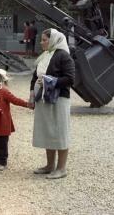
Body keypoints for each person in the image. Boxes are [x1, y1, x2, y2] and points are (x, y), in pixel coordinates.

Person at [29, 28, 75, 179]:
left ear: (54, 40)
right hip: (43, 98)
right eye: (41, 39)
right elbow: (35, 76)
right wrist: (31, 93)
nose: (41, 42)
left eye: (44, 40)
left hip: (59, 99)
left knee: (60, 132)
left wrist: (50, 81)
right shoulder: (45, 55)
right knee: (49, 131)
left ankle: (61, 168)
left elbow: (70, 78)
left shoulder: (64, 56)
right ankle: (50, 165)